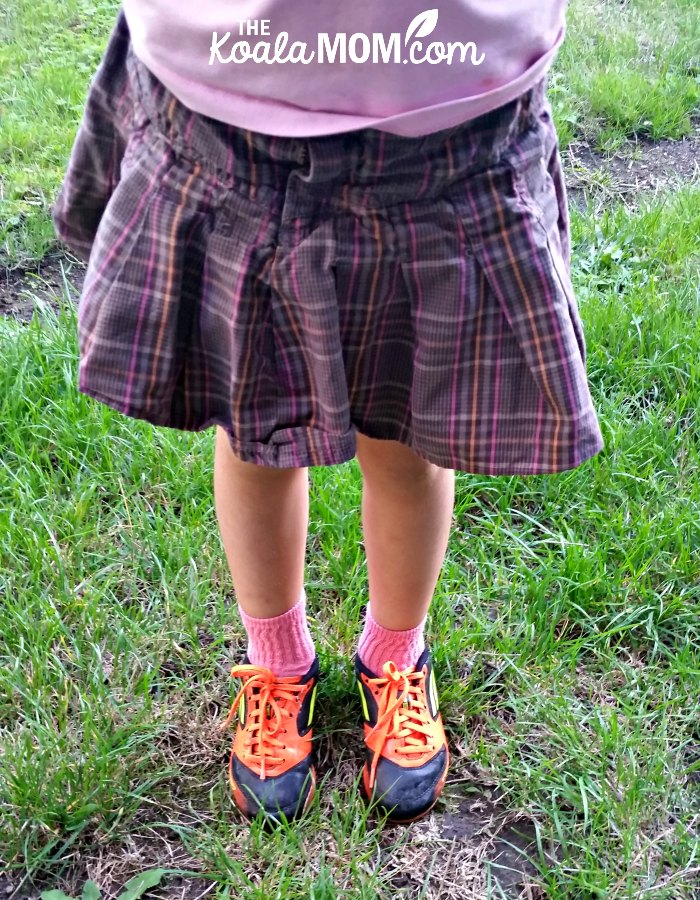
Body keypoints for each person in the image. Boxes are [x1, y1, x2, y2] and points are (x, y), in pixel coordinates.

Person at [52, 1, 604, 827]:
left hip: (450, 108)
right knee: (257, 432)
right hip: (226, 94)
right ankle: (278, 665)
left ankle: (395, 655)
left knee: (407, 437)